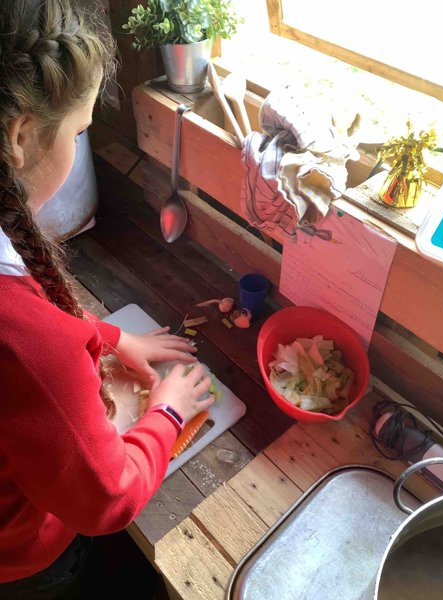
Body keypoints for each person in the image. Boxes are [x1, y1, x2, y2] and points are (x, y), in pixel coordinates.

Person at [0, 1, 215, 598]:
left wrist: (113, 336)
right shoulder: (27, 346)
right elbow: (109, 499)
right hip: (25, 559)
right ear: (21, 136)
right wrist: (167, 411)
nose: (78, 144)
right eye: (79, 130)